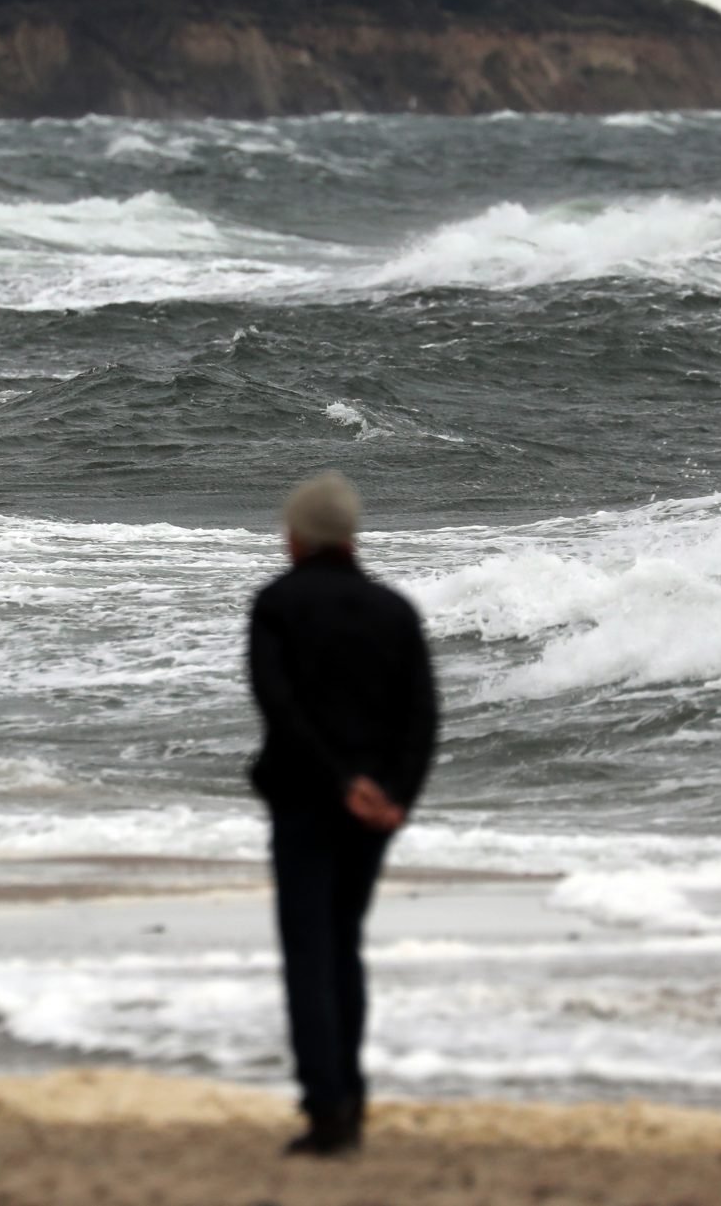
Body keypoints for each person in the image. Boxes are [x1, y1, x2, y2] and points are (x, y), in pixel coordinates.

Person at [245, 470, 439, 1158]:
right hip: (373, 811)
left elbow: (281, 708)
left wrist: (338, 781)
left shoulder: (277, 604)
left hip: (306, 800)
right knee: (344, 945)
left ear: (297, 536)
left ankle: (327, 1110)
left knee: (309, 951)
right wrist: (392, 796)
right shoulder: (394, 610)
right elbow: (421, 718)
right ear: (351, 536)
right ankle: (352, 1098)